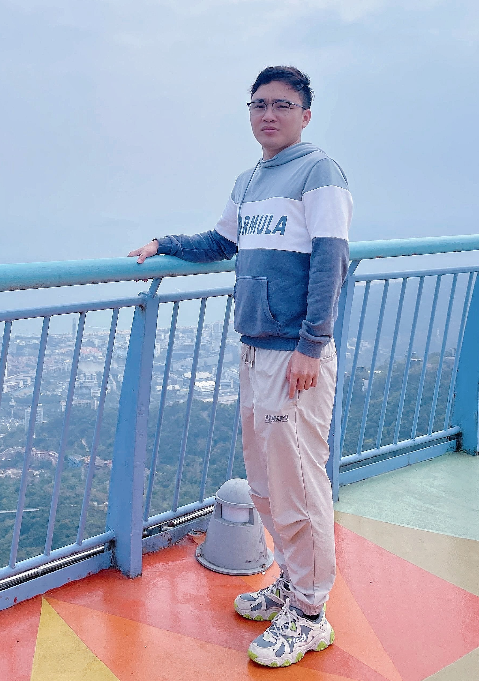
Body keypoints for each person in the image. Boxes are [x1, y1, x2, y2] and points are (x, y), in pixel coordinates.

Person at [129, 66, 352, 668]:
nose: (268, 114)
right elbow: (222, 242)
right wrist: (165, 243)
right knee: (265, 483)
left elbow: (331, 259)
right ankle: (291, 583)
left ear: (306, 114)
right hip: (255, 347)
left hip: (294, 354)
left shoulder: (319, 172)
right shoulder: (251, 180)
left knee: (299, 483)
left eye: (282, 104)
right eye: (258, 104)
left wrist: (312, 345)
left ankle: (310, 614)